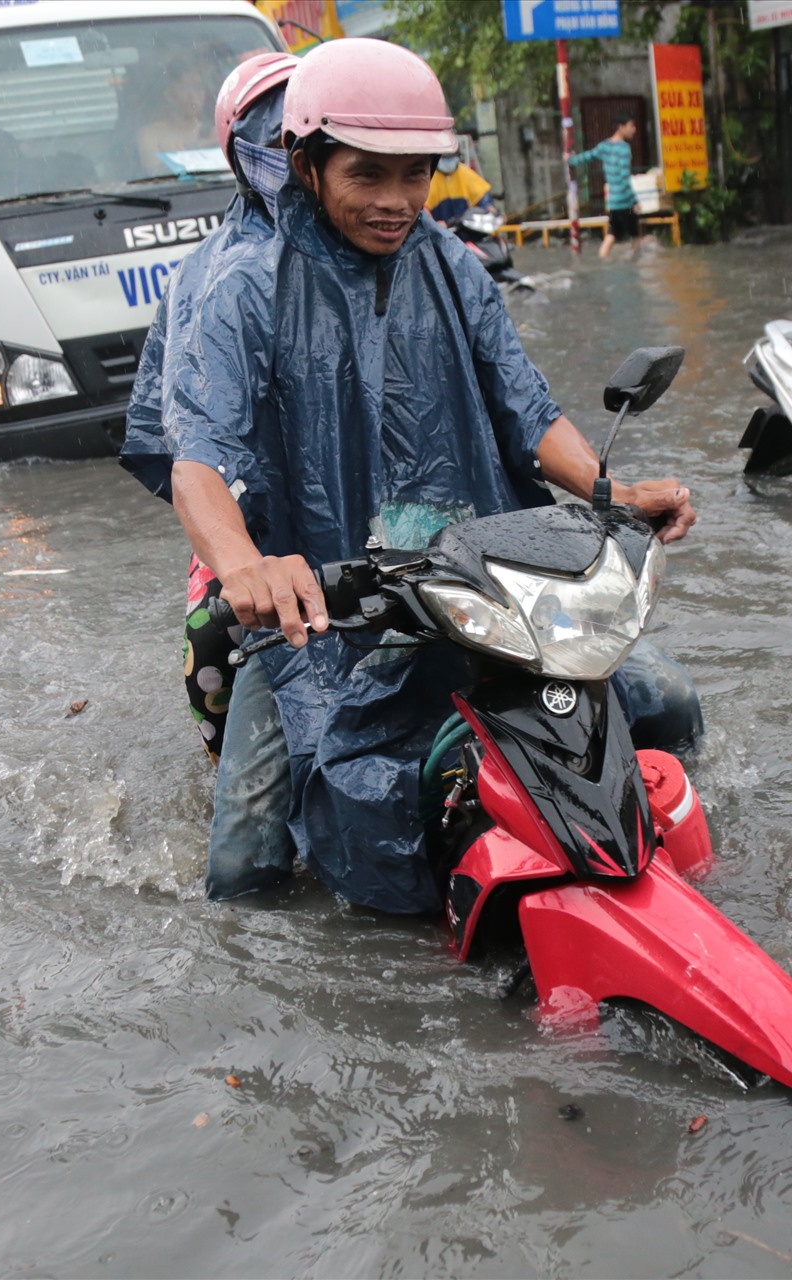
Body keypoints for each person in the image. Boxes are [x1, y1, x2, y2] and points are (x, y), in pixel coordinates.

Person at [159, 38, 701, 911]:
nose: (396, 201)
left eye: (416, 175)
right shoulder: (242, 287)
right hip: (318, 611)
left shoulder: (453, 266)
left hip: (469, 583)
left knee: (666, 702)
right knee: (246, 860)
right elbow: (199, 460)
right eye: (367, 175)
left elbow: (527, 412)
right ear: (304, 164)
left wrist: (612, 491)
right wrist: (247, 566)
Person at [121, 48, 301, 762]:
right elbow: (192, 449)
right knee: (214, 639)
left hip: (388, 529)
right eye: (282, 143)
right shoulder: (217, 283)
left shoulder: (422, 258)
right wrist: (241, 561)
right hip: (256, 533)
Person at [571, 112, 641, 259]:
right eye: (631, 126)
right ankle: (635, 264)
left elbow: (587, 157)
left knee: (612, 235)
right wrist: (634, 201)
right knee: (635, 237)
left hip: (613, 202)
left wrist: (570, 160)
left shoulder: (604, 146)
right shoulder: (624, 149)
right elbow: (624, 178)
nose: (634, 129)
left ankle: (603, 260)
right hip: (625, 202)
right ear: (621, 127)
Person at [426, 153, 495, 226]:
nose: (448, 162)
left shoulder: (465, 172)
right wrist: (433, 225)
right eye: (444, 158)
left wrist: (490, 208)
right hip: (440, 230)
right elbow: (423, 208)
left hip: (467, 228)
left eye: (450, 158)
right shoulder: (430, 177)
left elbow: (482, 196)